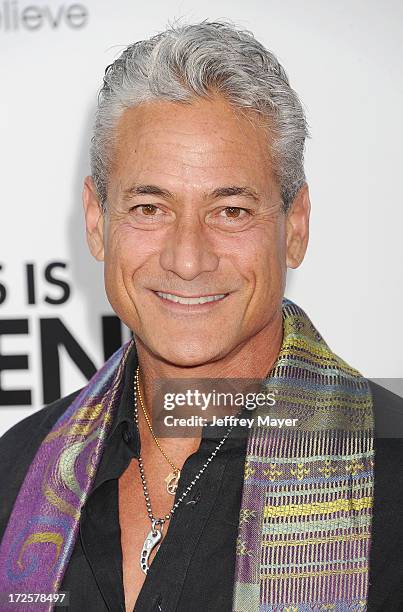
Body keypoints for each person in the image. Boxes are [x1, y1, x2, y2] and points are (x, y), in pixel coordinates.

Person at [0, 20, 402, 612]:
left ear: (295, 227)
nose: (187, 258)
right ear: (95, 221)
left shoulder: (391, 476)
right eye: (149, 207)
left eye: (231, 210)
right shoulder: (19, 472)